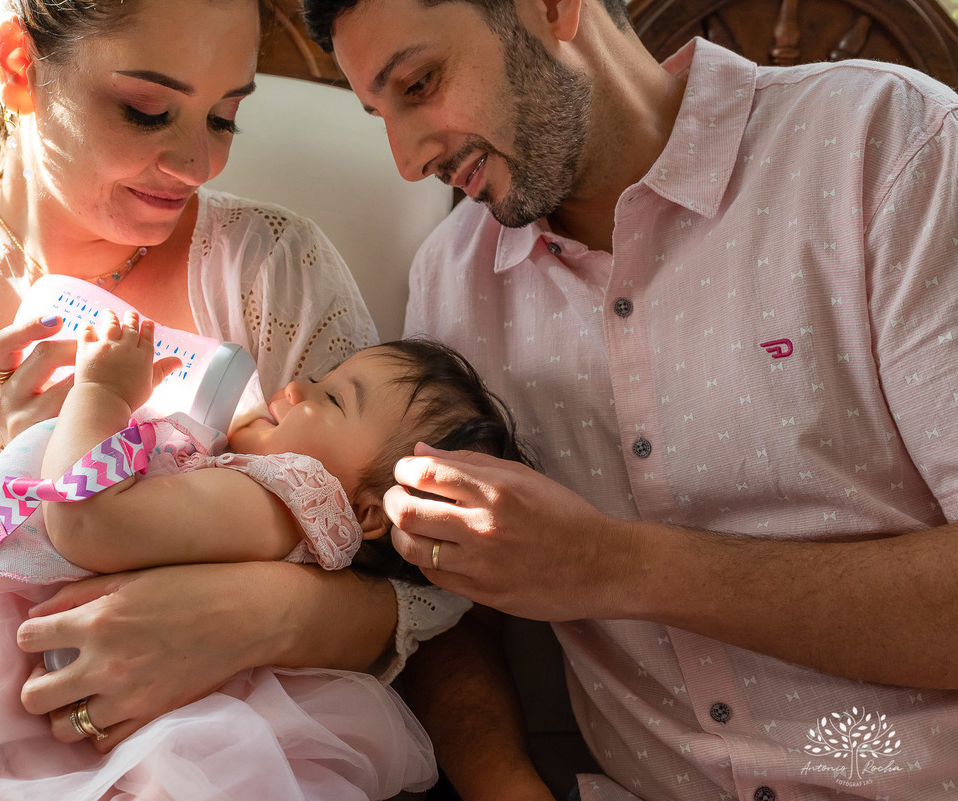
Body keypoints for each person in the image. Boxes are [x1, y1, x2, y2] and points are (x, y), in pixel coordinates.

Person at [0, 0, 442, 790]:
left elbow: (428, 580)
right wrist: (8, 489)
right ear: (21, 66)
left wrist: (263, 610)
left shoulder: (274, 270)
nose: (196, 164)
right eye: (146, 110)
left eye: (225, 118)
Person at [300, 0, 958, 798]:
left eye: (420, 82)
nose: (406, 160)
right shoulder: (451, 283)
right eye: (378, 112)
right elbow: (449, 609)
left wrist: (614, 567)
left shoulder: (887, 144)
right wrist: (505, 784)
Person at [0, 321, 530, 801]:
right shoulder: (247, 482)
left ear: (361, 511)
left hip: (32, 727)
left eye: (330, 399)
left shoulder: (285, 498)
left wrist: (103, 391)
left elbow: (88, 518)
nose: (297, 385)